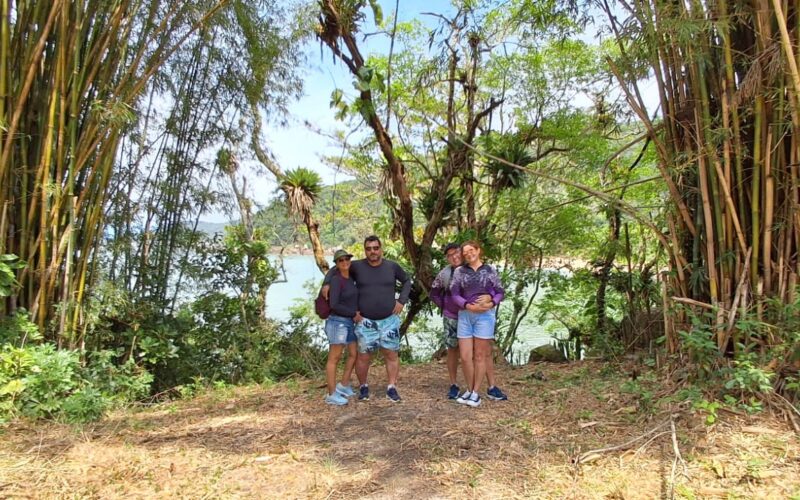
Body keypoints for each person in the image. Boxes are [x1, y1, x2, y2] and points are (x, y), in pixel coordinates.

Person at [323, 236, 411, 402]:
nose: (373, 251)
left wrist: (402, 301)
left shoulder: (391, 266)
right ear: (365, 250)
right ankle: (363, 386)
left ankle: (391, 387)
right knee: (363, 356)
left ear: (381, 249)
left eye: (376, 248)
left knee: (391, 354)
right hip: (365, 322)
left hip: (389, 320)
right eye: (369, 248)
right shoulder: (357, 267)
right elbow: (335, 269)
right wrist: (326, 284)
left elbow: (407, 280)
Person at [430, 243, 494, 399]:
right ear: (447, 258)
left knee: (482, 352)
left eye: (457, 253)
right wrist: (445, 306)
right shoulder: (445, 274)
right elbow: (434, 292)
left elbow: (491, 288)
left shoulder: (473, 269)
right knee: (453, 350)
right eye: (450, 255)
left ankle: (491, 385)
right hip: (453, 317)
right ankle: (454, 384)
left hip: (476, 316)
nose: (454, 257)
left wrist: (490, 299)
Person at [449, 240, 508, 407]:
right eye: (465, 252)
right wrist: (467, 305)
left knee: (480, 356)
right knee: (466, 356)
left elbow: (500, 291)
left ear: (478, 250)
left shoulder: (490, 270)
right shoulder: (460, 271)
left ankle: (476, 393)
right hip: (465, 315)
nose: (468, 254)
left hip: (484, 316)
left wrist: (492, 302)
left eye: (471, 250)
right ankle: (469, 389)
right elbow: (454, 293)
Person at [323, 249, 359, 405]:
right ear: (336, 264)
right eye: (340, 260)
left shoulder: (350, 278)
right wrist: (353, 313)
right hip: (338, 322)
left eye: (347, 259)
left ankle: (343, 385)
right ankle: (331, 394)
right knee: (334, 358)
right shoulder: (336, 280)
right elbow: (334, 304)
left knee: (353, 353)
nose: (345, 262)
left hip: (349, 322)